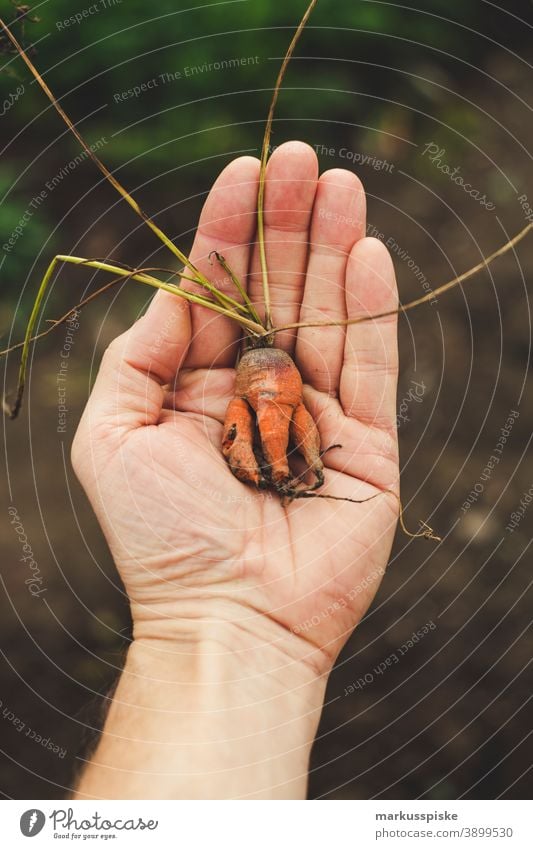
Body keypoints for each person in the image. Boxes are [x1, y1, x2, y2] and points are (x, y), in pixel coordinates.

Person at [71, 141, 399, 799]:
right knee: (271, 420)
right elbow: (249, 423)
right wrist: (221, 616)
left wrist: (218, 625)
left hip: (272, 374)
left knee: (278, 418)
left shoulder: (281, 383)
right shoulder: (252, 383)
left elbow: (277, 416)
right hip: (263, 373)